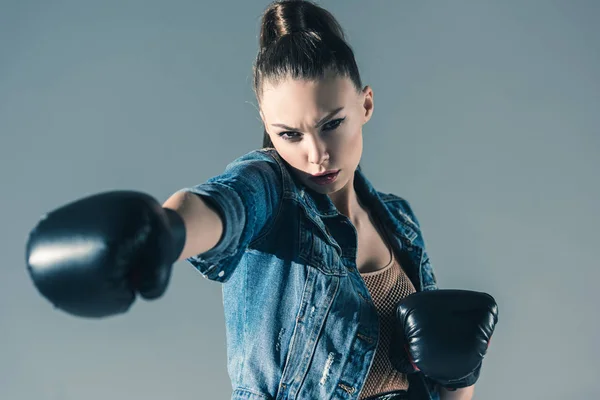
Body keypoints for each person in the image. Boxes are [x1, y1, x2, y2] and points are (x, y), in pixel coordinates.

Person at [25, 1, 497, 399]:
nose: (315, 155)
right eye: (289, 134)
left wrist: (459, 377)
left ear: (366, 105)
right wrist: (167, 230)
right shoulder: (272, 190)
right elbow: (220, 205)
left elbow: (438, 377)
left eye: (332, 123)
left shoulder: (398, 220)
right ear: (270, 131)